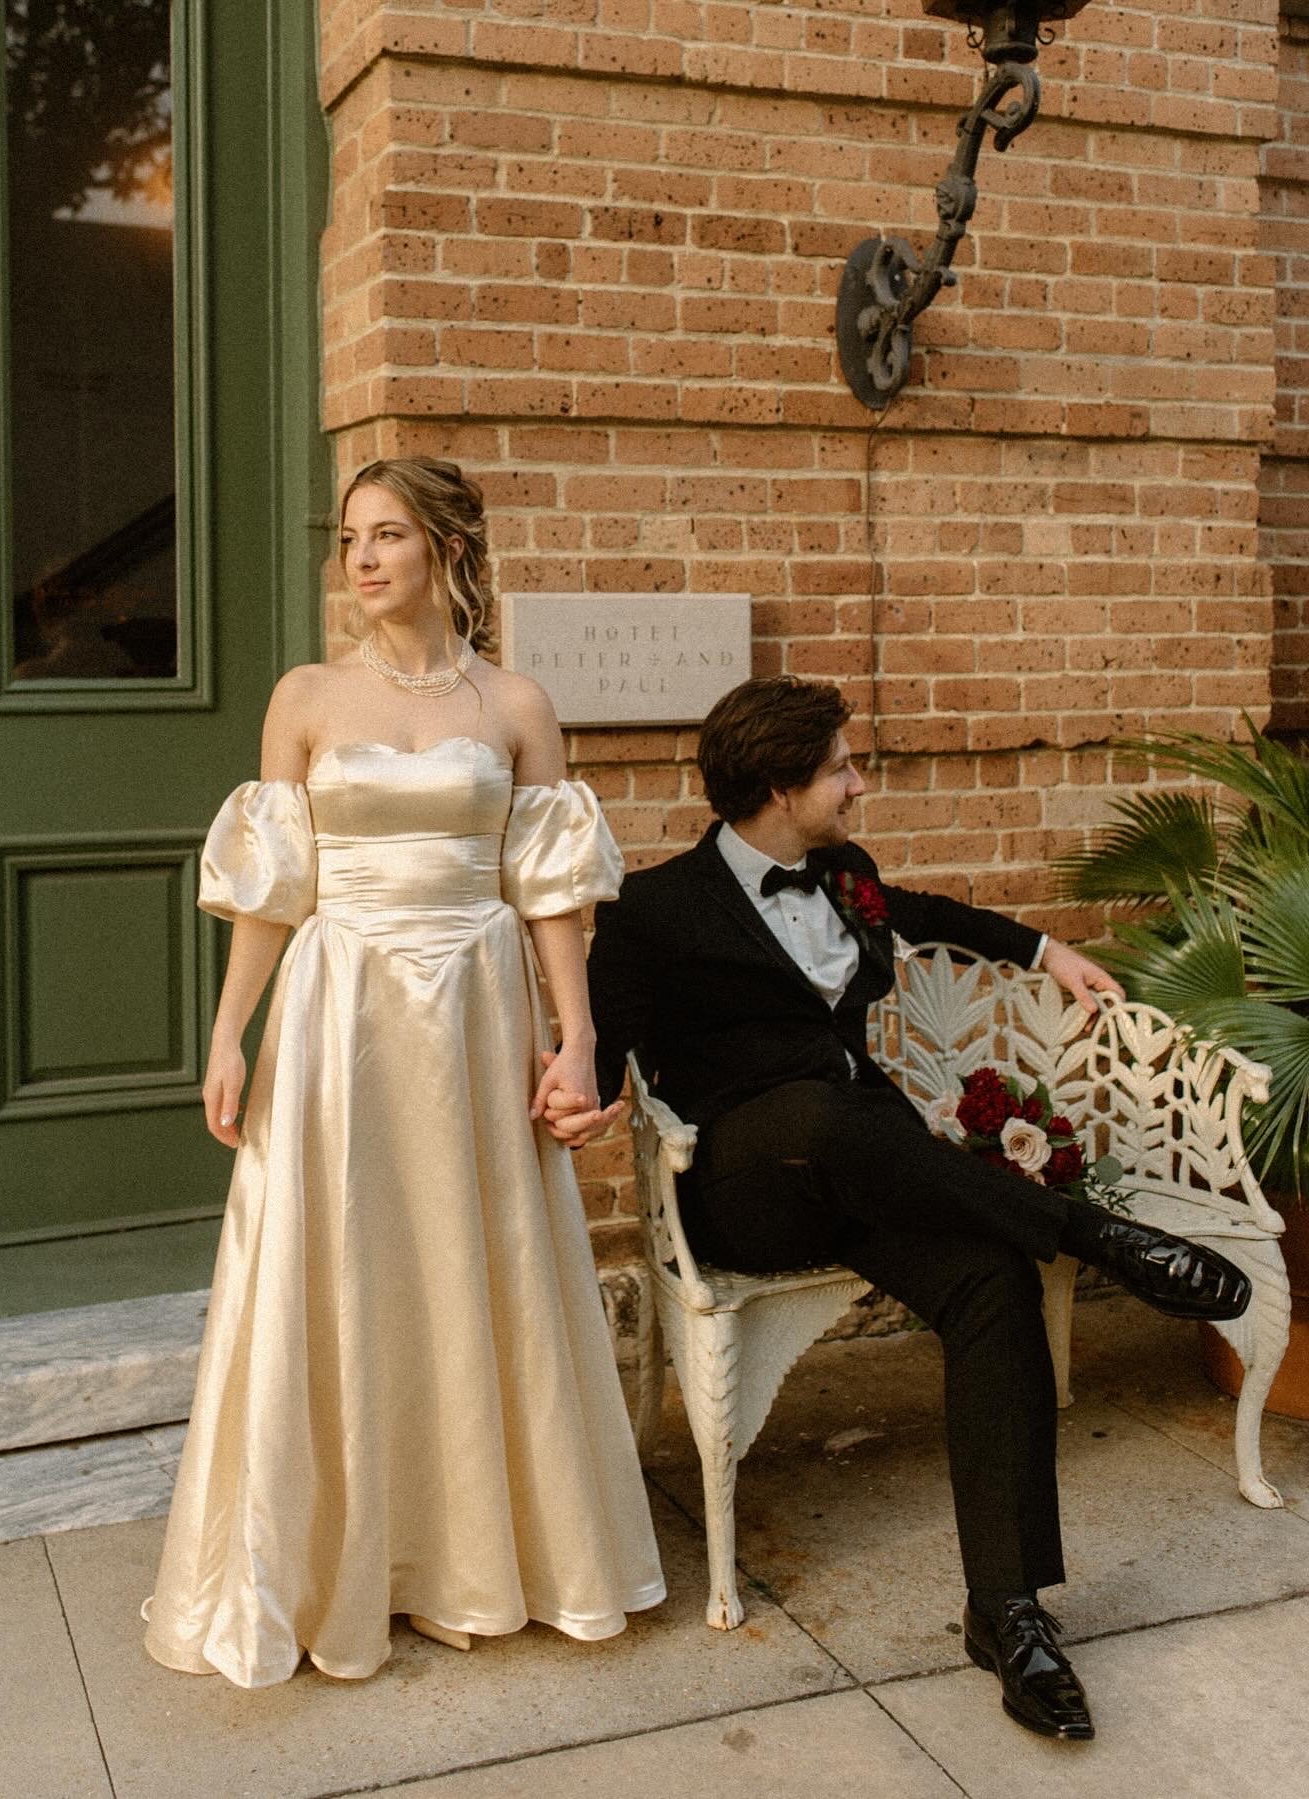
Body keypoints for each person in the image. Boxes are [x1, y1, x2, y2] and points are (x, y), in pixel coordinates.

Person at [572, 675, 1250, 1743]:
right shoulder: (655, 910)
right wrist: (575, 1083)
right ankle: (1098, 1234)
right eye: (841, 767)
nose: (859, 781)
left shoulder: (844, 874)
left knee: (990, 1280)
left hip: (875, 1171)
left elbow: (928, 916)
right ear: (778, 787)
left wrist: (1044, 949)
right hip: (756, 1186)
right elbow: (603, 1050)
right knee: (824, 1113)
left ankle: (1009, 1610)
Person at [141, 457, 664, 1687]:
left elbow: (549, 898)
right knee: (335, 1268)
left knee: (475, 1268)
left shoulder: (518, 704)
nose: (361, 559)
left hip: (478, 1017)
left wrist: (575, 1039)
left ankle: (479, 1559)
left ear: (447, 549)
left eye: (387, 535)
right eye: (350, 538)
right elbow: (275, 888)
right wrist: (231, 1032)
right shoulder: (307, 697)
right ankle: (330, 1570)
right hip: (339, 1018)